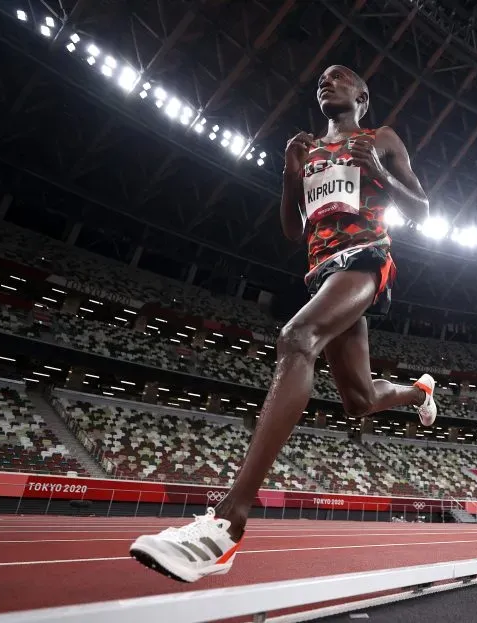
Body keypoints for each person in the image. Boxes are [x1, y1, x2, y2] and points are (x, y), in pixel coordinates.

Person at [129, 65, 438, 582]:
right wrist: (290, 175)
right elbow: (293, 231)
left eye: (338, 78)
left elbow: (424, 210)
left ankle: (228, 523)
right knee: (359, 400)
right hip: (321, 270)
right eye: (319, 78)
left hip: (365, 258)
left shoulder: (380, 138)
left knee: (297, 338)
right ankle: (420, 392)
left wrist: (379, 174)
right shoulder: (307, 148)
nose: (325, 82)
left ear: (361, 95)